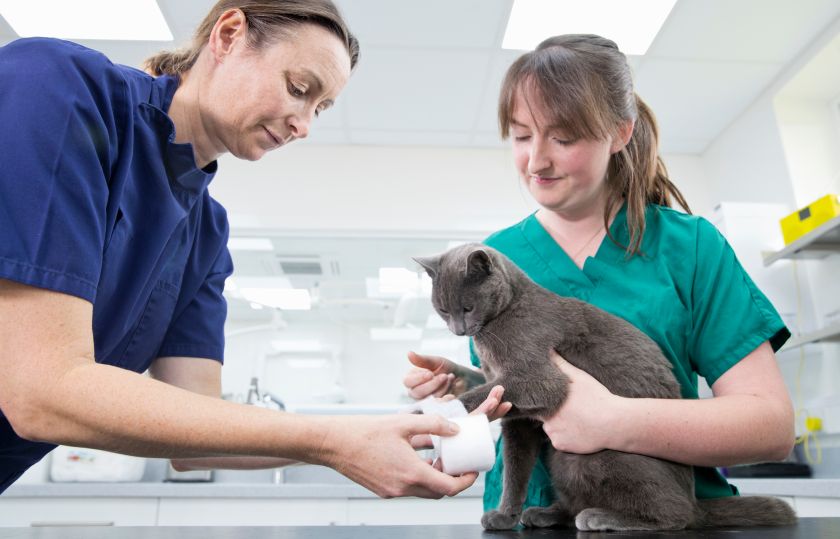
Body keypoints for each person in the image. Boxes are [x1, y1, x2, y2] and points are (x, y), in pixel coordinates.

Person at [0, 0, 507, 497]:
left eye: (320, 108)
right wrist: (331, 442)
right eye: (299, 89)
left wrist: (405, 427)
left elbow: (194, 439)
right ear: (228, 35)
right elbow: (42, 391)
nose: (304, 124)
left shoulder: (205, 232)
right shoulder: (59, 89)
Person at [404, 34, 795, 513]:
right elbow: (532, 393)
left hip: (657, 509)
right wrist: (469, 385)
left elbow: (771, 427)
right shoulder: (495, 259)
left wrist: (617, 420)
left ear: (620, 133)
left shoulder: (689, 248)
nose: (536, 160)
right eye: (522, 135)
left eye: (563, 138)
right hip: (534, 517)